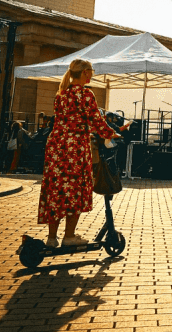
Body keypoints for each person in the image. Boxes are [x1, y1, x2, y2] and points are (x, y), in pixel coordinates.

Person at [38, 59, 121, 248]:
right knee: (74, 188)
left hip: (56, 144)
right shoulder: (85, 94)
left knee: (56, 189)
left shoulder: (61, 94)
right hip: (75, 145)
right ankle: (69, 236)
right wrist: (111, 133)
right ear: (84, 73)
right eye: (91, 71)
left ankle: (52, 238)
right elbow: (95, 119)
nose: (92, 75)